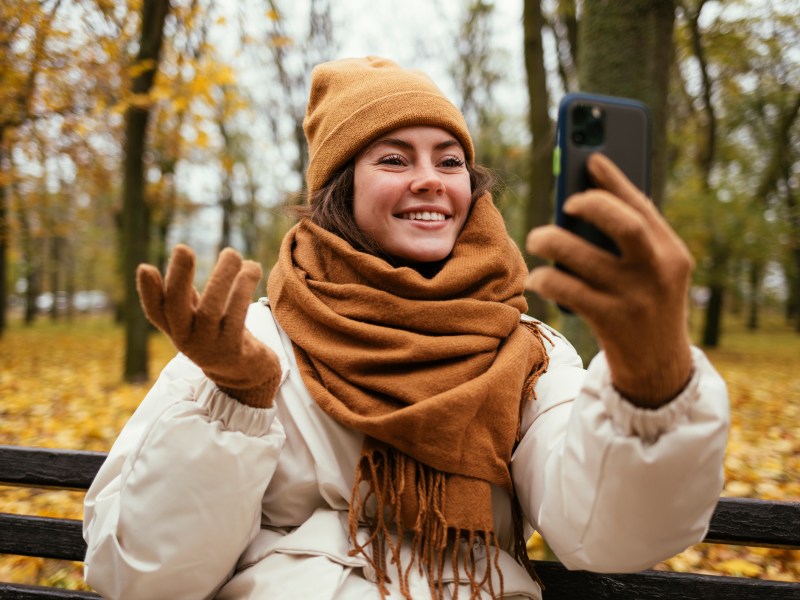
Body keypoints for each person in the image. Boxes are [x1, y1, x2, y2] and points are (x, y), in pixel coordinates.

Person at [82, 56, 729, 600]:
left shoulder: (528, 350)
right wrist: (231, 400)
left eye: (450, 162)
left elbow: (611, 532)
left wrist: (652, 378)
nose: (430, 180)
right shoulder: (245, 344)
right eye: (394, 159)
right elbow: (139, 577)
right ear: (341, 189)